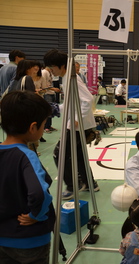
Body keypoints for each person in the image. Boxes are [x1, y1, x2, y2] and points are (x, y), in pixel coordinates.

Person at [0, 90, 55, 264]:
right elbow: (39, 193)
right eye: (43, 124)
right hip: (29, 241)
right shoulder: (26, 156)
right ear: (33, 127)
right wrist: (35, 215)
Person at [44, 49, 99, 200]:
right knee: (79, 155)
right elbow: (72, 101)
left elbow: (87, 100)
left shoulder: (71, 78)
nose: (51, 71)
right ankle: (90, 183)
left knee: (59, 154)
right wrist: (57, 109)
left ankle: (72, 186)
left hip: (77, 125)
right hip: (80, 124)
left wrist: (77, 118)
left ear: (62, 66)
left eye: (53, 67)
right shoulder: (66, 77)